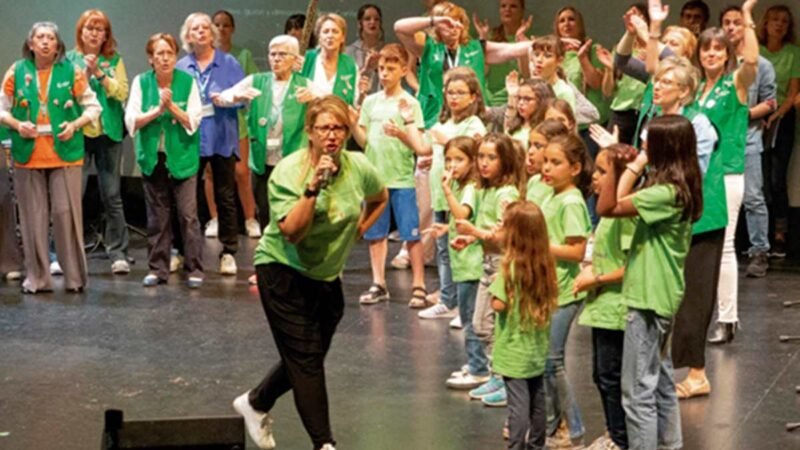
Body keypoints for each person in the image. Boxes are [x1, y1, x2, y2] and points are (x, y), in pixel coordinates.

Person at [232, 95, 388, 450]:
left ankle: (255, 403)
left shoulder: (358, 167)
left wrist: (360, 228)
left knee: (308, 356)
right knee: (305, 360)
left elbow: (380, 197)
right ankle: (325, 443)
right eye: (324, 128)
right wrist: (313, 187)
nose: (332, 136)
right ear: (310, 133)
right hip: (283, 270)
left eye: (339, 128)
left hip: (326, 276)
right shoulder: (290, 171)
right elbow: (293, 232)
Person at [597, 115, 704, 450]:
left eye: (648, 142)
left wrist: (619, 165)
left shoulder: (664, 193)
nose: (643, 146)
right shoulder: (680, 186)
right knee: (660, 382)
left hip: (648, 297)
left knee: (636, 392)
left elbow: (608, 206)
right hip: (662, 294)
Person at [0, 21, 101, 293]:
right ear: (31, 44)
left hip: (64, 152)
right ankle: (38, 278)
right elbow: (2, 108)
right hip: (28, 152)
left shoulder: (72, 71)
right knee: (33, 218)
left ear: (58, 45)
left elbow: (93, 107)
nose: (45, 42)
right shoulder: (17, 71)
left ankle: (74, 278)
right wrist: (16, 124)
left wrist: (75, 125)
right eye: (40, 37)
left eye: (51, 38)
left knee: (65, 213)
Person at [217, 35, 315, 285]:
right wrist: (236, 98)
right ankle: (267, 267)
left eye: (282, 54)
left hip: (292, 164)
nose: (276, 59)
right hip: (263, 162)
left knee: (290, 219)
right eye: (272, 53)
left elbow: (334, 104)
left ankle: (294, 266)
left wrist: (315, 99)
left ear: (295, 59)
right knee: (267, 218)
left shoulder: (304, 84)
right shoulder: (257, 81)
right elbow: (221, 96)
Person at [351, 44, 429, 307]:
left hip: (401, 178)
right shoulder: (371, 102)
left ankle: (419, 284)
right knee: (376, 234)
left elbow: (417, 144)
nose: (384, 73)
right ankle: (378, 283)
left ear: (403, 70)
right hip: (376, 179)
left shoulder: (410, 104)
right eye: (382, 68)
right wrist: (353, 121)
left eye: (391, 68)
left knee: (411, 233)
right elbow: (364, 141)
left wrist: (401, 134)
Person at [125, 33, 203, 288]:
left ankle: (194, 268)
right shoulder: (141, 82)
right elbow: (132, 120)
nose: (165, 58)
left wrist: (171, 108)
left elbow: (194, 120)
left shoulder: (187, 82)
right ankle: (158, 268)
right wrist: (157, 110)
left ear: (176, 56)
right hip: (152, 157)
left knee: (188, 216)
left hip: (182, 157)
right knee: (157, 217)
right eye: (159, 54)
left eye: (169, 53)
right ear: (151, 59)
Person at [452, 133, 525, 406]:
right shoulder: (488, 190)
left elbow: (505, 236)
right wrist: (471, 238)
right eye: (481, 157)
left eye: (491, 157)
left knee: (491, 325)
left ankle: (504, 378)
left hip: (502, 265)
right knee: (483, 324)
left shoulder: (507, 193)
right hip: (489, 263)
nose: (484, 163)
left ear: (505, 160)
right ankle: (497, 374)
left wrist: (473, 231)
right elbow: (490, 228)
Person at [573, 144, 637, 450]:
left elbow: (632, 266)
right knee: (602, 375)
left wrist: (595, 278)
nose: (594, 177)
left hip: (618, 307)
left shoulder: (624, 215)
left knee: (613, 376)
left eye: (602, 171)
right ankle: (614, 432)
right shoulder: (606, 215)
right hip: (603, 306)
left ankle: (621, 439)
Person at [176, 12, 244, 276]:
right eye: (196, 29)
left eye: (206, 28)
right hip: (190, 139)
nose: (202, 32)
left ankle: (228, 252)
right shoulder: (181, 66)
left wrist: (227, 99)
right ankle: (182, 251)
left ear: (213, 33)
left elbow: (245, 97)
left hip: (222, 137)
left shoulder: (229, 62)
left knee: (225, 196)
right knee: (185, 198)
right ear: (188, 35)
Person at [417, 67, 487, 320]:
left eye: (460, 93)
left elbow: (468, 154)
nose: (454, 98)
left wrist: (444, 140)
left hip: (460, 196)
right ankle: (447, 299)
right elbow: (433, 151)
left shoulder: (473, 124)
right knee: (443, 249)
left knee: (461, 249)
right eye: (450, 92)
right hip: (440, 193)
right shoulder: (445, 122)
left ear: (473, 96)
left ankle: (463, 303)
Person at [394, 1, 531, 128]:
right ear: (438, 28)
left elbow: (513, 49)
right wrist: (435, 20)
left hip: (471, 123)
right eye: (448, 24)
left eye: (457, 22)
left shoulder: (477, 48)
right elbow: (399, 27)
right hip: (434, 121)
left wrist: (546, 44)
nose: (453, 27)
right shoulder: (428, 47)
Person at [489, 200, 558, 450]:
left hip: (513, 351)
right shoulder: (546, 265)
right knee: (537, 400)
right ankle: (537, 444)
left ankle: (516, 445)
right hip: (536, 350)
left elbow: (499, 305)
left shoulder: (509, 268)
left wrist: (494, 288)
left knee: (517, 406)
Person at [66, 9, 130, 275]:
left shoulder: (114, 59)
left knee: (112, 195)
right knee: (72, 196)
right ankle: (67, 252)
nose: (94, 33)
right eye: (89, 28)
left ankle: (118, 252)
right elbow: (64, 92)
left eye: (99, 29)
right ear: (81, 32)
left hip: (108, 133)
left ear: (106, 34)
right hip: (78, 133)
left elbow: (122, 91)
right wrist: (85, 73)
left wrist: (101, 75)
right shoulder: (68, 59)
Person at [538, 133, 592, 448]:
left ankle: (573, 429)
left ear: (574, 168)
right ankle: (554, 426)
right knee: (547, 361)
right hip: (548, 288)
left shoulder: (571, 200)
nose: (547, 167)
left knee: (552, 361)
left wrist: (541, 245)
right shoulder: (551, 195)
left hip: (565, 292)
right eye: (545, 161)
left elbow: (576, 251)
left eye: (555, 162)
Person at [720, 5, 776, 278]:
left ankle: (759, 252)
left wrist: (742, 115)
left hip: (748, 139)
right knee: (717, 194)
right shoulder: (717, 61)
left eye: (736, 22)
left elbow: (770, 102)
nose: (731, 27)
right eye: (726, 23)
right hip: (719, 140)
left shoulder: (761, 65)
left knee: (753, 197)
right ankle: (720, 246)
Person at [205, 10, 260, 239]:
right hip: (209, 121)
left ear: (233, 28)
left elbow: (255, 85)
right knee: (209, 172)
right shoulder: (205, 55)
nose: (221, 29)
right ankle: (215, 218)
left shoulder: (242, 55)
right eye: (216, 24)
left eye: (226, 25)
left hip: (236, 121)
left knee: (241, 171)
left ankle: (250, 218)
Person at [758, 4, 799, 259]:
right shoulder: (757, 52)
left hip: (782, 117)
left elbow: (793, 93)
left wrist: (775, 115)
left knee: (777, 178)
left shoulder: (794, 53)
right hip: (756, 116)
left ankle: (780, 234)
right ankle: (758, 237)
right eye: (774, 20)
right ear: (765, 24)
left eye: (784, 21)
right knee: (758, 179)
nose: (779, 25)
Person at [472, 0, 531, 106]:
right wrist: (482, 39)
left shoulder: (528, 42)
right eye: (503, 6)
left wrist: (520, 38)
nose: (507, 10)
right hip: (488, 99)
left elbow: (527, 75)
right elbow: (481, 72)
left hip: (514, 100)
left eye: (513, 6)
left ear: (522, 11)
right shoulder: (490, 37)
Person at [301, 13, 358, 105]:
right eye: (326, 31)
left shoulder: (350, 65)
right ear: (319, 37)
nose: (330, 35)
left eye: (335, 31)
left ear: (342, 37)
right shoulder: (306, 59)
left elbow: (354, 101)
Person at [345, 4, 384, 97]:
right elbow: (345, 79)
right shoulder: (348, 51)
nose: (372, 22)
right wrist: (366, 69)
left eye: (376, 19)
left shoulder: (386, 51)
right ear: (360, 23)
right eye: (367, 19)